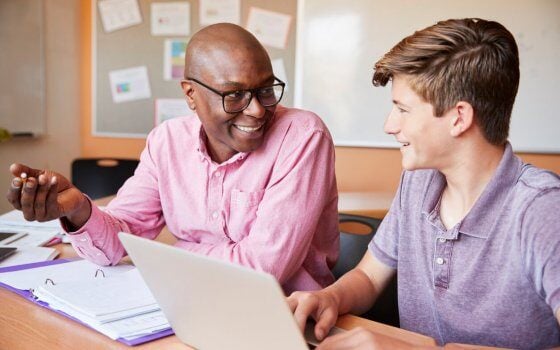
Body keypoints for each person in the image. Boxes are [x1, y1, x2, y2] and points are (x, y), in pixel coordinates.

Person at [5, 23, 339, 294]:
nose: (256, 109)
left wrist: (165, 254)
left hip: (287, 316)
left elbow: (262, 271)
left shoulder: (302, 135)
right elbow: (118, 243)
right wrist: (79, 208)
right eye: (235, 94)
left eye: (266, 89)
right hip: (188, 300)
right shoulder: (167, 141)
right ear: (191, 95)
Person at [288, 18, 560, 349]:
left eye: (402, 109)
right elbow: (369, 278)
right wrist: (330, 298)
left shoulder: (543, 209)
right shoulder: (417, 182)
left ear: (459, 118)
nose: (389, 125)